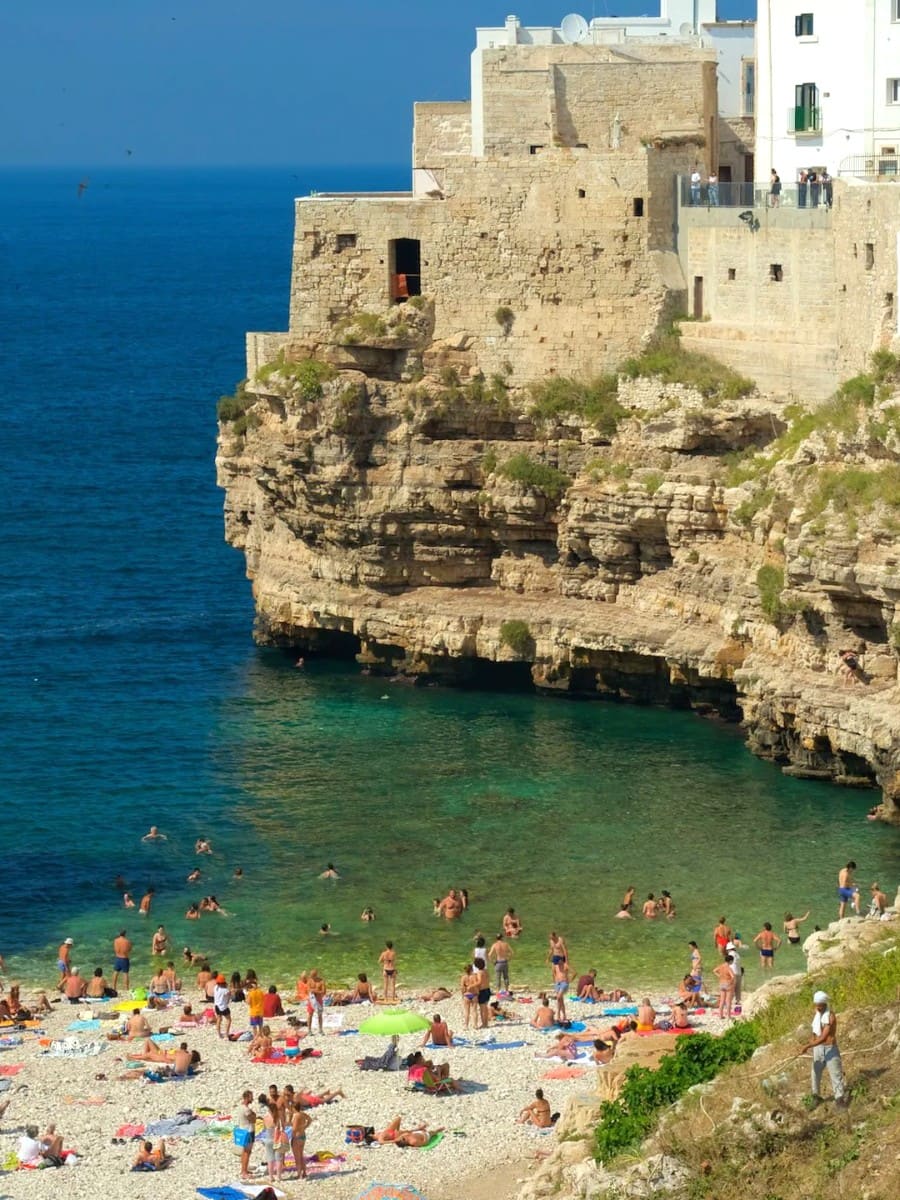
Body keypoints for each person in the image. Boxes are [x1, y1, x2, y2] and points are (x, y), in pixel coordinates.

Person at [802, 990, 846, 1107]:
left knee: (835, 1074)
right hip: (818, 1049)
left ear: (825, 1004)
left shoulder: (830, 1016)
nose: (818, 1007)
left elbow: (824, 1037)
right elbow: (815, 1031)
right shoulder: (817, 1014)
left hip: (830, 1048)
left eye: (820, 1005)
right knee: (815, 1073)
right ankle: (816, 1096)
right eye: (816, 1005)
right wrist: (811, 1041)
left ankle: (840, 1100)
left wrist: (808, 1046)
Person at [234, 1090, 256, 1181]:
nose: (252, 1098)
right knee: (247, 1152)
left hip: (242, 1130)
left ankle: (244, 1170)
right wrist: (254, 1114)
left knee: (244, 1151)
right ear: (247, 1097)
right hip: (248, 1131)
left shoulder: (240, 1107)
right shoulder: (246, 1110)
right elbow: (253, 1119)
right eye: (251, 1097)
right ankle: (244, 1172)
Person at [288, 1102, 311, 1179]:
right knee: (301, 1155)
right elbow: (309, 1120)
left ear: (293, 1108)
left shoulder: (296, 1116)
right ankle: (304, 1172)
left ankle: (299, 1174)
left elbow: (294, 1129)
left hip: (296, 1137)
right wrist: (305, 1127)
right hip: (303, 1135)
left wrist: (290, 1134)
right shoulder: (302, 1114)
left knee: (297, 1157)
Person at [714, 954, 736, 1019]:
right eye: (732, 961)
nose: (732, 962)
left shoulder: (721, 966)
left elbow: (714, 971)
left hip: (721, 983)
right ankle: (729, 1016)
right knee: (728, 1001)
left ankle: (720, 1015)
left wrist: (719, 976)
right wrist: (731, 982)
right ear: (730, 961)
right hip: (727, 984)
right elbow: (733, 976)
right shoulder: (729, 968)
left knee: (722, 1000)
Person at [213, 973, 232, 1038]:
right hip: (223, 1007)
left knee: (219, 1019)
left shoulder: (215, 987)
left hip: (217, 1006)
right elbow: (229, 996)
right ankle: (226, 1034)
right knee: (229, 1020)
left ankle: (219, 1034)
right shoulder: (225, 990)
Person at [308, 968, 326, 1033]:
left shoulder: (321, 981)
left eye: (313, 976)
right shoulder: (310, 981)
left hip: (318, 1000)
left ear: (316, 975)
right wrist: (314, 991)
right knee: (310, 1014)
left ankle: (320, 1029)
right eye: (311, 976)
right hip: (311, 1000)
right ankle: (309, 1030)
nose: (311, 977)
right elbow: (308, 990)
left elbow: (324, 992)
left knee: (319, 1015)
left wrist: (315, 991)